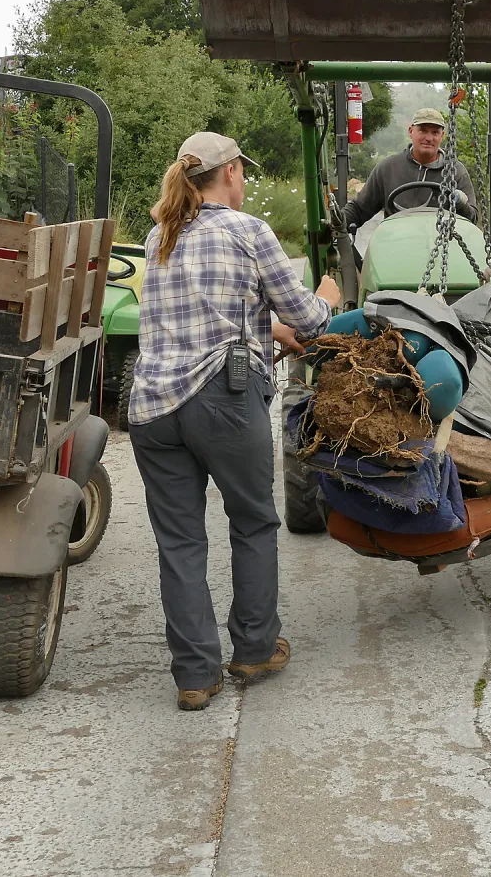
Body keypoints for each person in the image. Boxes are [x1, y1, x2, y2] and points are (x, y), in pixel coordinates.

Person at [128, 132, 341, 711]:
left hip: (153, 405)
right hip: (222, 398)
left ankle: (195, 676)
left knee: (179, 541)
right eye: (242, 173)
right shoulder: (249, 232)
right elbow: (308, 319)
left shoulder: (159, 235)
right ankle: (252, 646)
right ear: (227, 175)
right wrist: (325, 295)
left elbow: (201, 312)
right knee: (252, 521)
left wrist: (265, 328)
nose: (245, 182)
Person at [341, 108, 480, 231]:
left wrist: (460, 203)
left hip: (440, 247)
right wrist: (337, 224)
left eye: (435, 132)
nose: (429, 138)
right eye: (423, 131)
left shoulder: (455, 171)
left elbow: (472, 219)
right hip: (396, 244)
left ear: (442, 136)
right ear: (411, 131)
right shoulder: (388, 168)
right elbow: (360, 209)